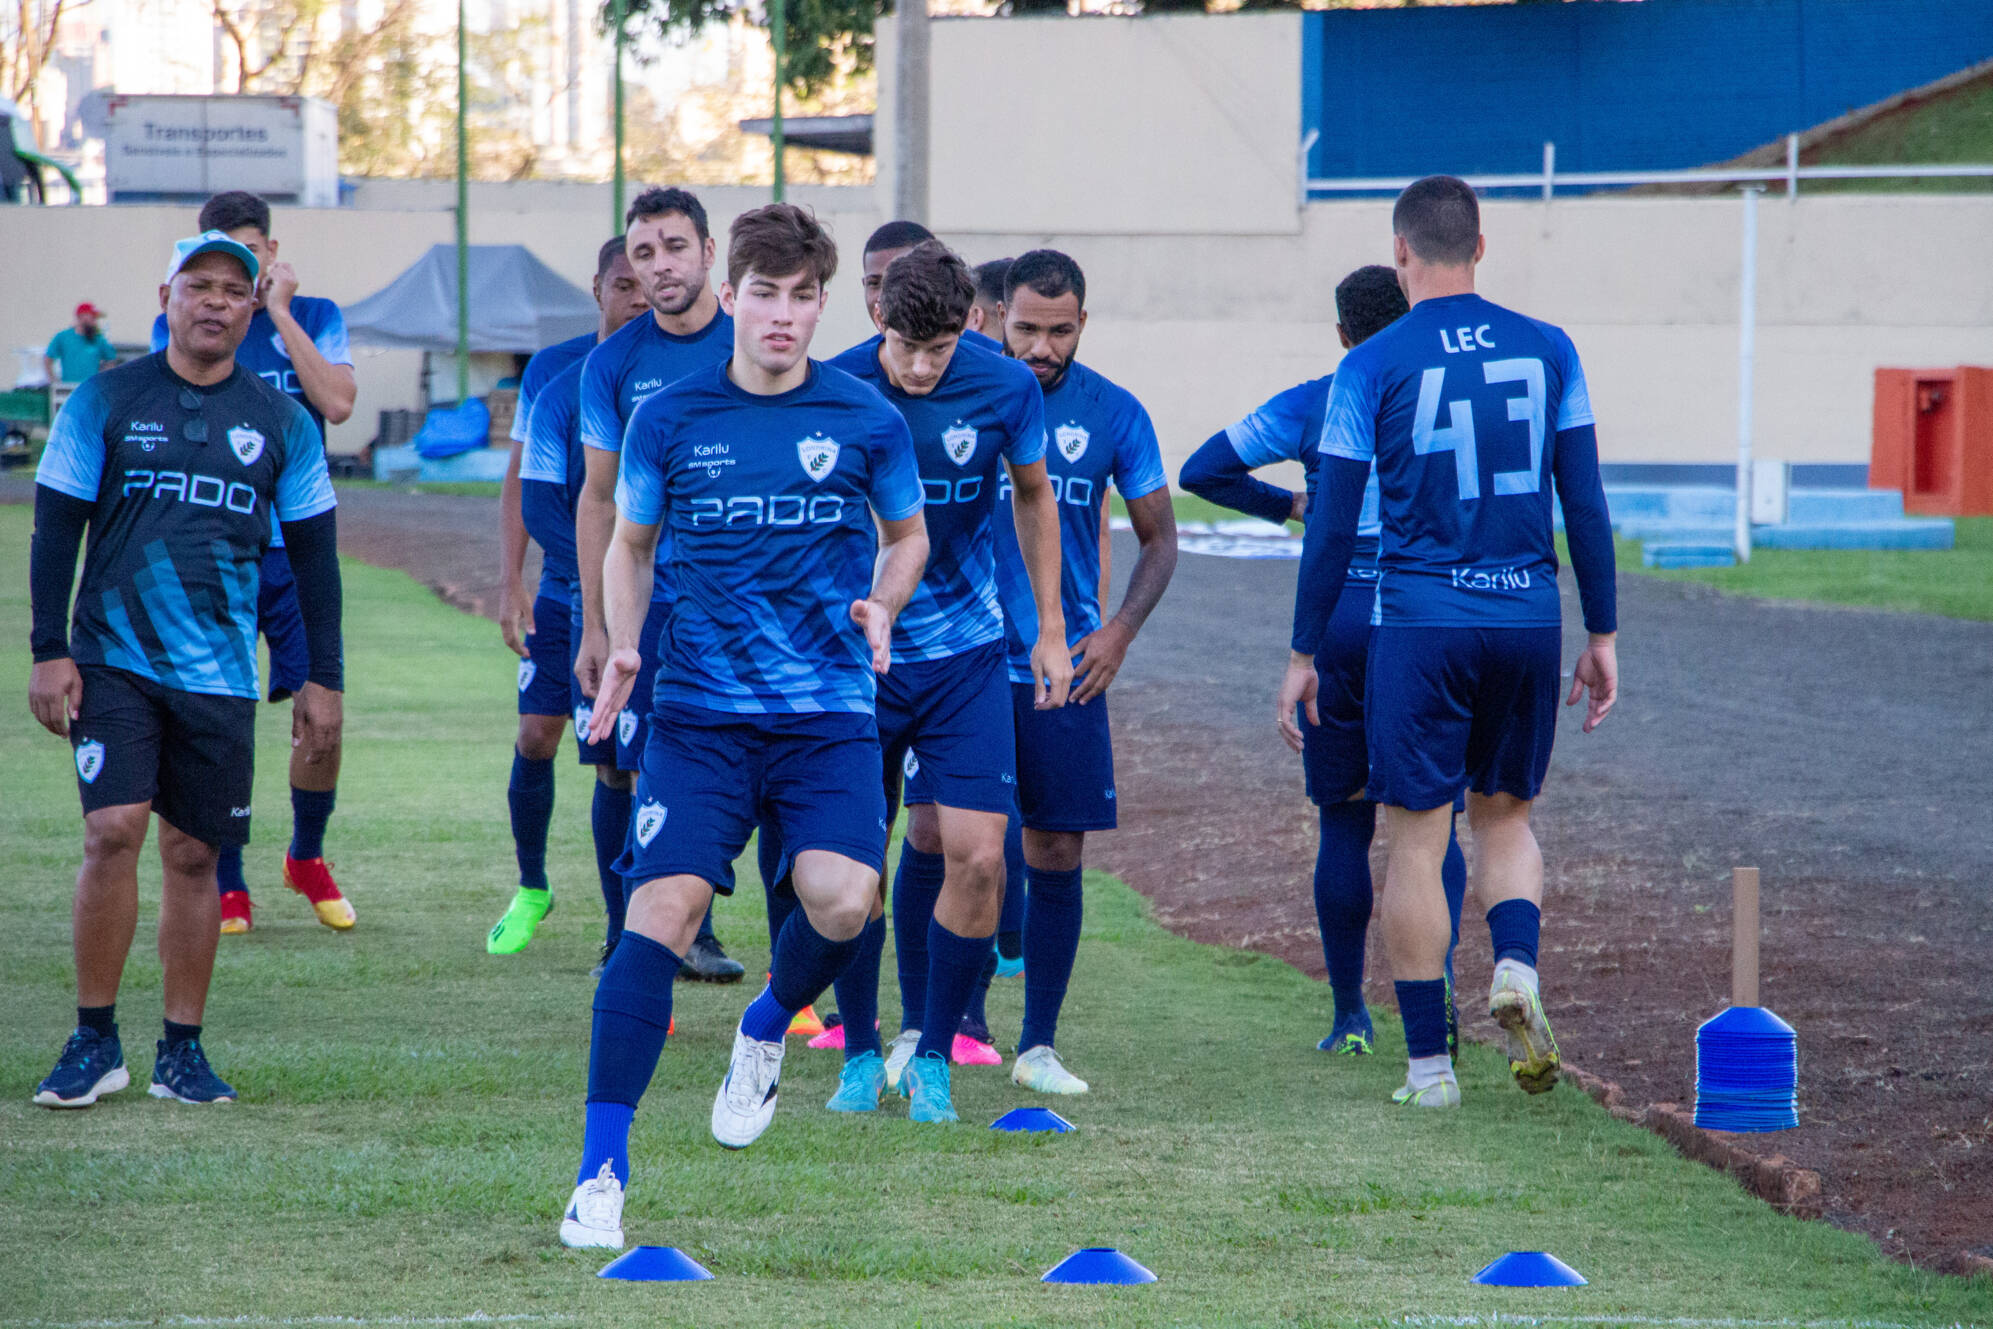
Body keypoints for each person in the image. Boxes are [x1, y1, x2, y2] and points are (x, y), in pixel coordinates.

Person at [558, 202, 928, 1249]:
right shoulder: (669, 417)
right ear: (732, 297)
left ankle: (764, 1028)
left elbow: (909, 537)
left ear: (822, 306)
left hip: (827, 719)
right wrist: (623, 639)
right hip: (699, 720)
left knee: (846, 901)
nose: (781, 315)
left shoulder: (867, 420)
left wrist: (885, 602)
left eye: (801, 297)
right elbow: (628, 545)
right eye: (763, 294)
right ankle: (599, 1173)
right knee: (658, 916)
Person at [1280, 176, 1619, 1109]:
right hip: (1524, 618)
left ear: (1401, 253)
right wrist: (1601, 631)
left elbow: (1334, 521)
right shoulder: (1550, 349)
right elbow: (1582, 502)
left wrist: (1304, 652)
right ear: (1481, 245)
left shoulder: (1369, 364)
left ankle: (1428, 1067)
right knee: (1504, 817)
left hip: (1419, 625)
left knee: (1418, 840)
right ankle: (1515, 963)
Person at [28, 230, 342, 1107]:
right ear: (165, 294)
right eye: (196, 286)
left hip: (220, 673)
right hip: (112, 659)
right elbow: (56, 531)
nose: (213, 302)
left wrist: (323, 676)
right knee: (113, 829)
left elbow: (316, 560)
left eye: (231, 291)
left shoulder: (282, 422)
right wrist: (47, 649)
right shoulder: (105, 398)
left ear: (253, 307)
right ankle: (94, 1040)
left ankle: (181, 1052)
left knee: (197, 854)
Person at [1180, 264, 1468, 1058]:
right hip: (1423, 606)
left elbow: (1202, 468)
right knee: (1431, 826)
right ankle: (1432, 1001)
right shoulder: (1443, 392)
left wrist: (1290, 503)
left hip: (1340, 611)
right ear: (1409, 314)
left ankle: (1348, 1014)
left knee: (1343, 822)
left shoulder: (1315, 399)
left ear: (1341, 334)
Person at [819, 240, 1070, 1121]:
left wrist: (1049, 629)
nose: (920, 369)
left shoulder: (1007, 386)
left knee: (978, 859)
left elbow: (1034, 498)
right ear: (876, 318)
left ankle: (930, 1053)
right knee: (851, 863)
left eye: (938, 350)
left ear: (969, 323)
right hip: (858, 658)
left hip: (967, 654)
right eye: (904, 348)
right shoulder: (835, 387)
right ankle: (855, 1050)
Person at [964, 248, 1178, 1096]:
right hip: (965, 659)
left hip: (1065, 665)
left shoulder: (1116, 413)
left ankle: (1037, 1045)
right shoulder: (959, 396)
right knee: (952, 842)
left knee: (1055, 845)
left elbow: (1161, 538)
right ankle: (941, 1027)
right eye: (1026, 329)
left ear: (1082, 324)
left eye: (1059, 332)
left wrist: (1119, 631)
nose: (1042, 347)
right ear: (995, 319)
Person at [147, 190, 357, 934]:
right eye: (209, 264)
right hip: (214, 550)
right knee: (218, 711)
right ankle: (228, 878)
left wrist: (280, 315)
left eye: (247, 253)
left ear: (270, 252)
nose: (225, 283)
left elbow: (336, 403)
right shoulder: (180, 317)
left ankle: (305, 853)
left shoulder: (317, 314)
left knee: (320, 714)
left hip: (296, 549)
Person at [571, 187, 744, 981]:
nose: (660, 266)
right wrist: (597, 626)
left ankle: (698, 928)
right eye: (643, 253)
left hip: (743, 604)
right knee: (620, 760)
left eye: (675, 247)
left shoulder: (755, 342)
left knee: (741, 762)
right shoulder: (613, 364)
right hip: (647, 595)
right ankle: (624, 934)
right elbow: (599, 497)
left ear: (710, 252)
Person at [486, 236, 652, 954]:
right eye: (624, 286)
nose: (638, 300)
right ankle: (532, 885)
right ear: (597, 288)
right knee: (539, 734)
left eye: (648, 287)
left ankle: (671, 927)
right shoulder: (558, 377)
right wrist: (511, 580)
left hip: (653, 599)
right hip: (566, 596)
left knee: (639, 756)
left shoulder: (682, 376)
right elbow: (533, 491)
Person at [45, 303, 117, 384]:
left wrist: (102, 379)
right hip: (68, 387)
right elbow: (48, 359)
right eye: (93, 317)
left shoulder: (98, 339)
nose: (95, 321)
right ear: (82, 317)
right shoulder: (62, 337)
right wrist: (54, 381)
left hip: (90, 388)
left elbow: (111, 360)